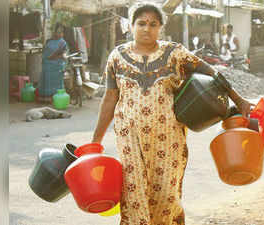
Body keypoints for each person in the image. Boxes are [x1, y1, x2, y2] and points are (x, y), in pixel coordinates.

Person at [91, 3, 252, 224]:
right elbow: (110, 98)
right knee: (133, 193)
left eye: (153, 24)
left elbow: (212, 73)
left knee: (167, 196)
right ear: (130, 26)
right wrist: (95, 142)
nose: (147, 28)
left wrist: (239, 100)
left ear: (160, 28)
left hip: (169, 138)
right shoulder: (117, 56)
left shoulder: (175, 53)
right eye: (141, 23)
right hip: (130, 137)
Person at [37, 23, 68, 100]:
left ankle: (56, 97)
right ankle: (45, 97)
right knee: (46, 82)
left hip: (57, 66)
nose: (60, 34)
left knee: (57, 84)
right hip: (47, 65)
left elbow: (64, 53)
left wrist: (62, 56)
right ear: (54, 32)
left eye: (61, 32)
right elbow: (44, 52)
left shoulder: (62, 42)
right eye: (58, 32)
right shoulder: (49, 41)